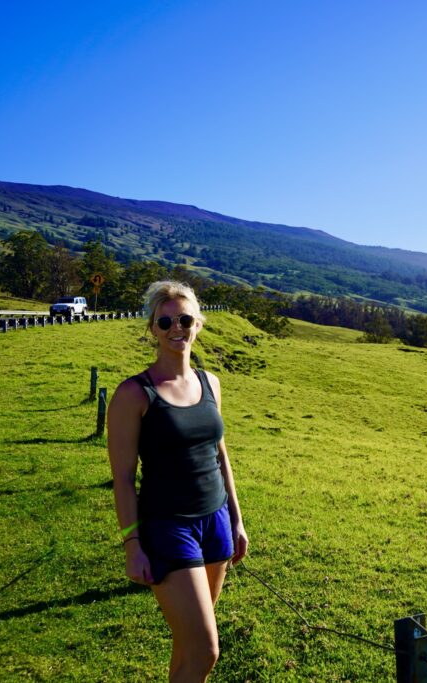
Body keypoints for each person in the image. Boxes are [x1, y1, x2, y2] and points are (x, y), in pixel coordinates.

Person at [107, 280, 248, 682]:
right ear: (152, 328)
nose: (176, 327)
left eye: (184, 319)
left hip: (215, 521)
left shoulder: (211, 383)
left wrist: (236, 520)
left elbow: (220, 455)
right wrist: (132, 545)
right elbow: (122, 479)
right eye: (165, 320)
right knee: (206, 650)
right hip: (168, 527)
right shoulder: (134, 394)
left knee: (188, 645)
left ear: (198, 324)